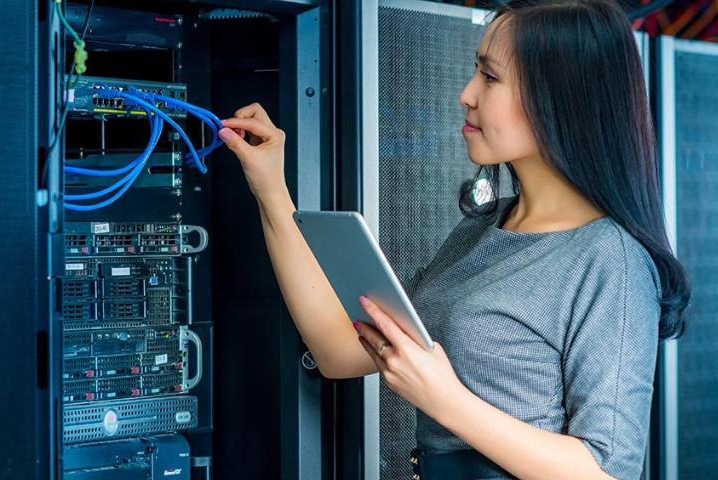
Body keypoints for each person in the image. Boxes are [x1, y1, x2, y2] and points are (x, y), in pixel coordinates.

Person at [217, 1, 690, 478]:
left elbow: (609, 471)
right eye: (475, 73)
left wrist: (446, 401)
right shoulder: (480, 231)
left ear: (558, 96)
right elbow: (338, 352)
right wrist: (271, 189)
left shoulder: (612, 260)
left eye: (490, 77)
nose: (466, 94)